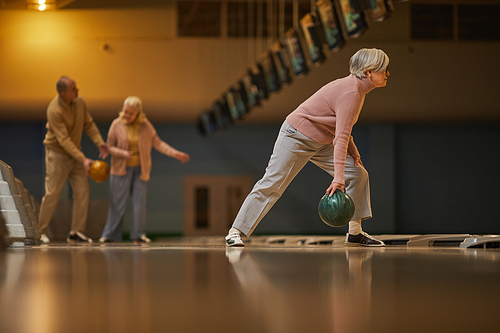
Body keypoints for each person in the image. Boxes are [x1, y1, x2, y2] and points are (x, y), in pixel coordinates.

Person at [226, 48, 390, 247]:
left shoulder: (357, 90)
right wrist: (338, 178)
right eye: (384, 69)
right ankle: (236, 231)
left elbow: (341, 128)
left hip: (322, 142)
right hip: (296, 136)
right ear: (369, 72)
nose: (387, 74)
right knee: (273, 183)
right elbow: (341, 137)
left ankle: (355, 233)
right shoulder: (351, 92)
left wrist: (353, 150)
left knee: (357, 174)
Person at [99, 96, 190, 244]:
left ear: (138, 113)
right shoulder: (116, 124)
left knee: (139, 203)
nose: (127, 115)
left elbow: (158, 143)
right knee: (117, 203)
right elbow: (109, 147)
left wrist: (175, 153)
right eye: (125, 112)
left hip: (140, 170)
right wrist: (122, 153)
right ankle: (110, 235)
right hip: (120, 169)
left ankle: (139, 235)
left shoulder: (145, 125)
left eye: (131, 113)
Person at [39, 76, 109, 244]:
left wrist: (100, 142)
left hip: (76, 153)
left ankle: (76, 232)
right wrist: (83, 159)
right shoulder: (54, 110)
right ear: (64, 94)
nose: (78, 90)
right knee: (52, 193)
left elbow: (89, 124)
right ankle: (40, 231)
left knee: (82, 191)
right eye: (73, 88)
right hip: (57, 154)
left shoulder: (80, 102)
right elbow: (63, 140)